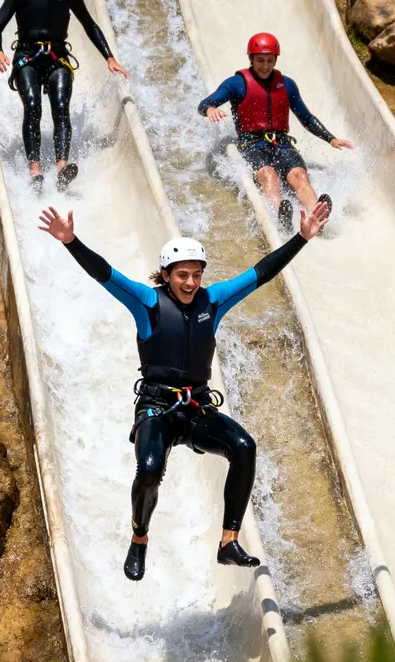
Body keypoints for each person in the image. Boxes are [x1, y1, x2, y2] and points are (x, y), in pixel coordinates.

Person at [37, 200, 331, 581]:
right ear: (166, 274)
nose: (190, 282)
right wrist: (70, 241)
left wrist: (302, 238)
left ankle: (228, 542)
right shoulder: (147, 302)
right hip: (157, 408)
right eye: (182, 275)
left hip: (196, 409)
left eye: (196, 274)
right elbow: (105, 274)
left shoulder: (215, 299)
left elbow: (261, 273)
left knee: (244, 447)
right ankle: (139, 539)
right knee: (148, 468)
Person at [0, 0, 130, 192]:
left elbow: (90, 25)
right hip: (28, 57)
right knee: (33, 106)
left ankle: (62, 168)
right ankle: (35, 169)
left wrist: (109, 57)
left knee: (61, 106)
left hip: (57, 57)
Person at [198, 32, 353, 230]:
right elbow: (205, 103)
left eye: (270, 60)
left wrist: (331, 139)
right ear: (251, 58)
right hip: (252, 143)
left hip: (281, 142)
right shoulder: (236, 83)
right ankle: (281, 214)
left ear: (276, 60)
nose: (265, 66)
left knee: (298, 175)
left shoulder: (287, 84)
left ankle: (316, 216)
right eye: (260, 60)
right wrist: (210, 109)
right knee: (268, 175)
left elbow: (306, 117)